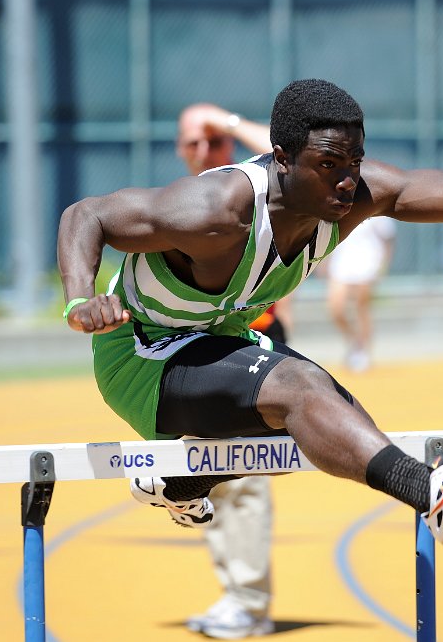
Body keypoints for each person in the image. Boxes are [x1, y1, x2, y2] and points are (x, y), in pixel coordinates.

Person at [58, 77, 443, 592]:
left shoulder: (352, 199)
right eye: (328, 165)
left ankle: (182, 481)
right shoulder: (216, 211)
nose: (347, 182)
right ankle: (431, 491)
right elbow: (86, 214)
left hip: (220, 339)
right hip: (143, 355)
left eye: (355, 162)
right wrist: (81, 300)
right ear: (281, 158)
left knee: (339, 420)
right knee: (300, 391)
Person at [176, 103, 278, 639]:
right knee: (209, 474)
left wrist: (227, 122)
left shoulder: (255, 186)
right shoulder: (183, 204)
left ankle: (250, 602)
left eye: (211, 143)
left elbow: (294, 158)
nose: (203, 152)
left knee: (242, 478)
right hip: (197, 354)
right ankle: (237, 595)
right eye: (193, 143)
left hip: (250, 347)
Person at [326, 214, 396, 371]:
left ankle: (363, 352)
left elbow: (388, 238)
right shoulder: (338, 205)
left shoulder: (377, 211)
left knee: (361, 308)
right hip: (341, 262)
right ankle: (355, 341)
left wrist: (383, 265)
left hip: (368, 260)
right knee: (336, 309)